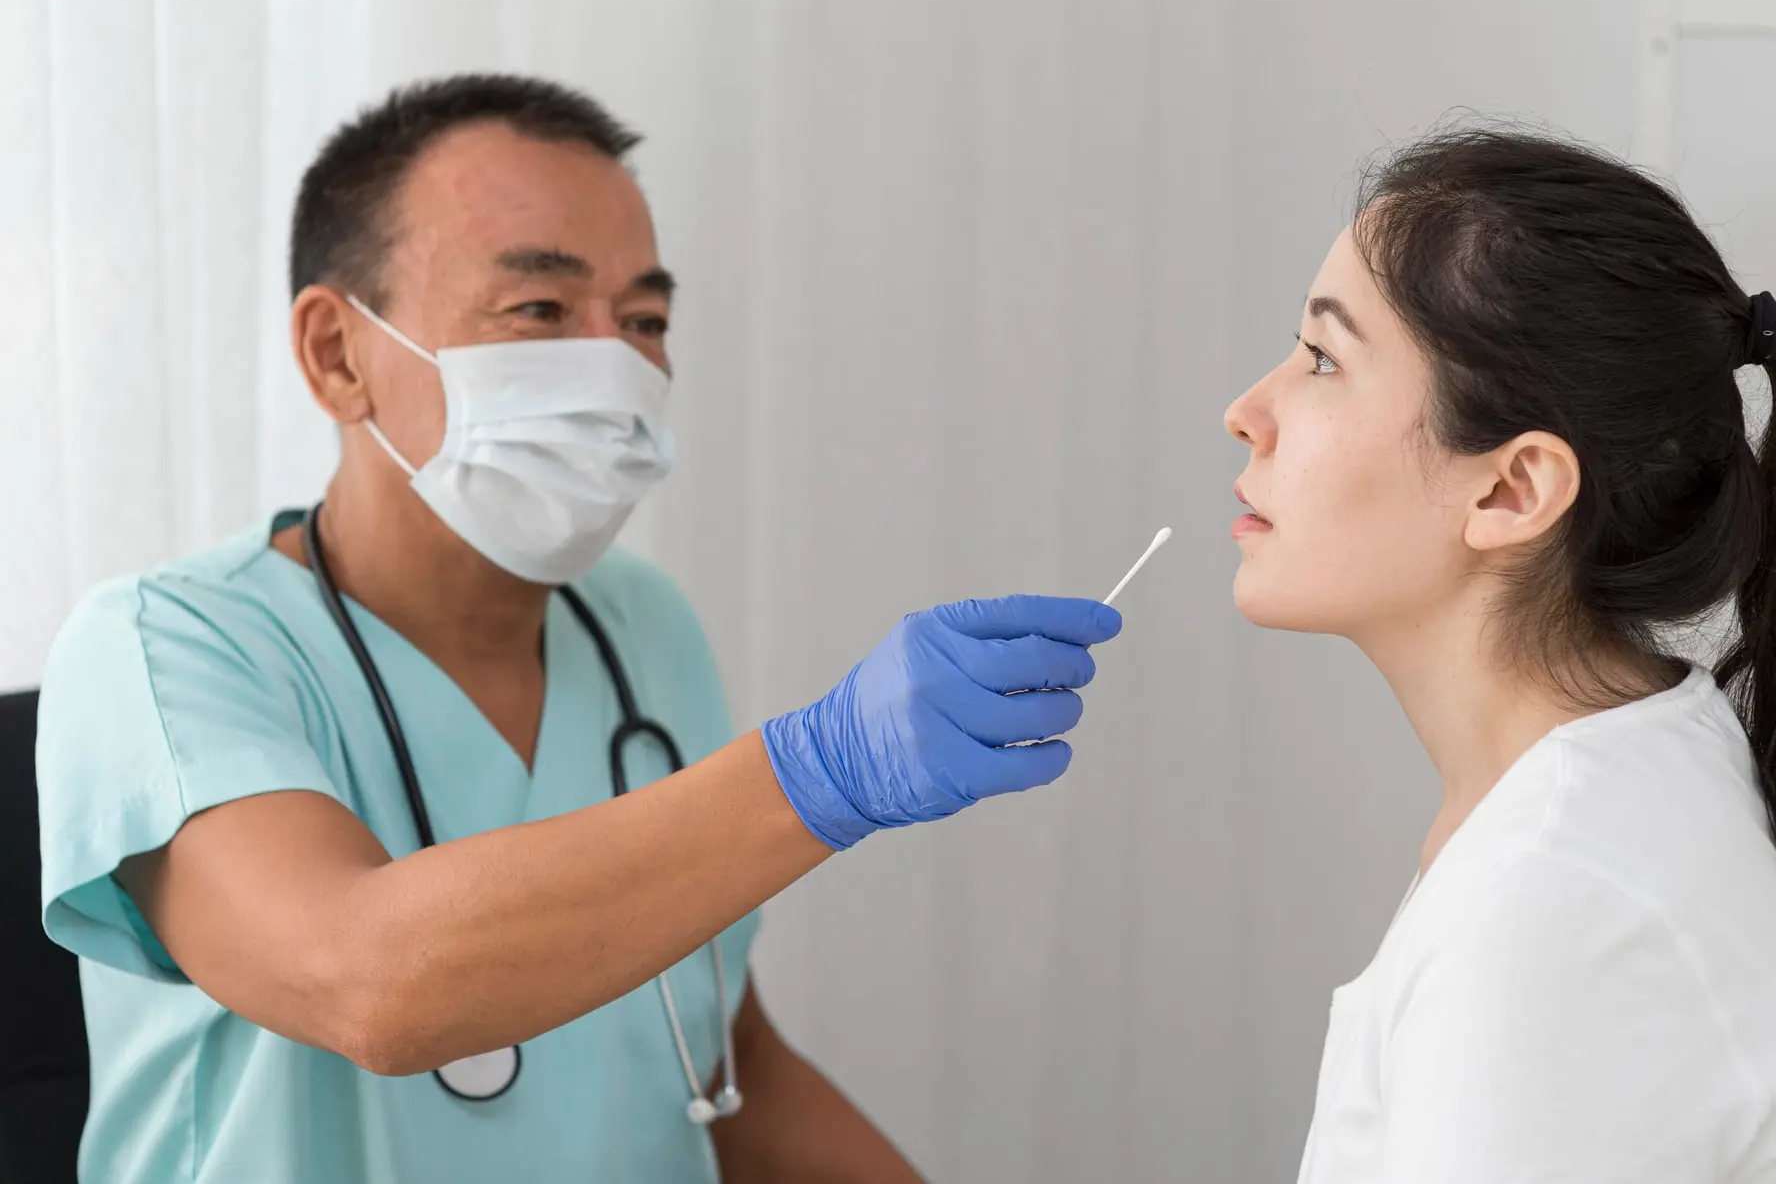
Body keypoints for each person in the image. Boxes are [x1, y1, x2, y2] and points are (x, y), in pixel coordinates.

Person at [34, 73, 1122, 1184]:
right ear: (336, 354)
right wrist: (820, 771)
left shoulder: (642, 626)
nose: (615, 367)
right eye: (541, 312)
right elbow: (364, 981)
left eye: (644, 321)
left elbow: (718, 1055)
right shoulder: (163, 649)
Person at [1226, 129, 1776, 1182]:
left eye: (1322, 360)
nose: (1246, 413)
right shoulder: (1609, 773)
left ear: (1511, 490)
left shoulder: (1551, 904)